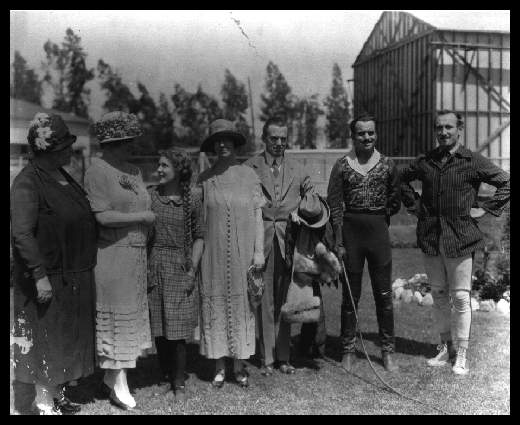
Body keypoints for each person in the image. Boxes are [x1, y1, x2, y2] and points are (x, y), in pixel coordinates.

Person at [400, 110, 510, 375]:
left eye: (449, 127)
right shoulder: (426, 160)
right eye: (439, 127)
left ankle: (462, 352)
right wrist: (415, 205)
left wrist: (485, 209)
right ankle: (444, 346)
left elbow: (506, 182)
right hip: (430, 236)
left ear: (459, 130)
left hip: (460, 237)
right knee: (438, 293)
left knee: (460, 297)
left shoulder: (472, 161)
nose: (443, 132)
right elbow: (400, 179)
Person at [11, 113, 97, 415]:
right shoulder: (28, 182)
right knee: (47, 340)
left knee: (63, 338)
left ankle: (56, 394)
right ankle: (44, 403)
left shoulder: (63, 176)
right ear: (47, 149)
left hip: (70, 275)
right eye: (63, 146)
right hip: (46, 276)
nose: (69, 151)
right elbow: (22, 233)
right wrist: (39, 276)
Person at [84, 111, 155, 410]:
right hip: (112, 254)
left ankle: (113, 377)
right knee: (118, 318)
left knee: (130, 318)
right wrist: (142, 217)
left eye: (130, 140)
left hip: (136, 254)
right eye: (124, 141)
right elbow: (101, 216)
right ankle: (119, 384)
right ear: (110, 143)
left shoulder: (135, 171)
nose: (130, 146)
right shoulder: (96, 171)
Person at [327, 114, 401, 372]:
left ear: (376, 134)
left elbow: (395, 200)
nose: (367, 137)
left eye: (371, 133)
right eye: (361, 133)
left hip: (378, 233)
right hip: (351, 235)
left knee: (384, 296)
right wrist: (338, 239)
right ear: (353, 136)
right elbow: (334, 204)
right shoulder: (342, 165)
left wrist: (378, 221)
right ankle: (347, 349)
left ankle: (388, 350)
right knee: (350, 296)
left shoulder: (388, 165)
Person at [245, 117, 316, 375]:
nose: (279, 143)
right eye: (274, 138)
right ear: (264, 138)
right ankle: (266, 358)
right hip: (260, 239)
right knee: (264, 299)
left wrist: (301, 208)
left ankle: (284, 356)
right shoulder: (250, 167)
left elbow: (312, 196)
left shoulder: (298, 168)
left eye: (283, 139)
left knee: (284, 296)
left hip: (289, 240)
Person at [197, 119, 265, 388]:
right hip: (212, 257)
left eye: (228, 140)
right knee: (216, 303)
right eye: (218, 141)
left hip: (243, 254)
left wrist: (259, 251)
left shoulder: (249, 176)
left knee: (241, 306)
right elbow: (198, 222)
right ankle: (219, 366)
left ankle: (239, 365)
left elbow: (258, 215)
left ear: (236, 144)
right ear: (213, 146)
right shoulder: (205, 180)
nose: (223, 144)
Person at [147, 148, 204, 403]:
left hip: (181, 266)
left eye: (164, 166)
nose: (159, 170)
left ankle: (179, 383)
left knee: (178, 329)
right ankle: (166, 374)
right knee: (159, 326)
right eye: (158, 165)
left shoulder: (192, 199)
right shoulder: (150, 197)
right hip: (155, 265)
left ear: (178, 170)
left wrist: (192, 267)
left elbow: (200, 237)